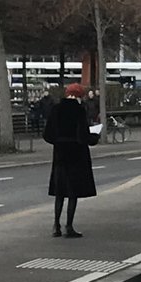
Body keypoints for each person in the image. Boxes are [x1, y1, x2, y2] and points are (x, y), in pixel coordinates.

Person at [44, 82, 98, 237]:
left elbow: (47, 134)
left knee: (59, 191)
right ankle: (69, 226)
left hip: (60, 155)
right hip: (76, 155)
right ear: (79, 96)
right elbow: (83, 136)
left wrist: (59, 141)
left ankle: (56, 225)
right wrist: (94, 138)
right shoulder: (79, 110)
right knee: (73, 192)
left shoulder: (56, 109)